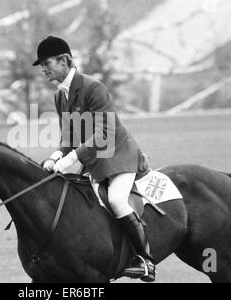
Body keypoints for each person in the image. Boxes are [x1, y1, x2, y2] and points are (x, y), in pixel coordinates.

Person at [33, 36, 155, 282]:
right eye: (42, 66)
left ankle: (144, 261)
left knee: (117, 201)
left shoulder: (93, 88)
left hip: (119, 158)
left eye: (47, 64)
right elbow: (68, 136)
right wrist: (56, 155)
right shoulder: (60, 97)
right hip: (93, 163)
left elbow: (103, 136)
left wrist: (67, 162)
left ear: (65, 60)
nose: (44, 70)